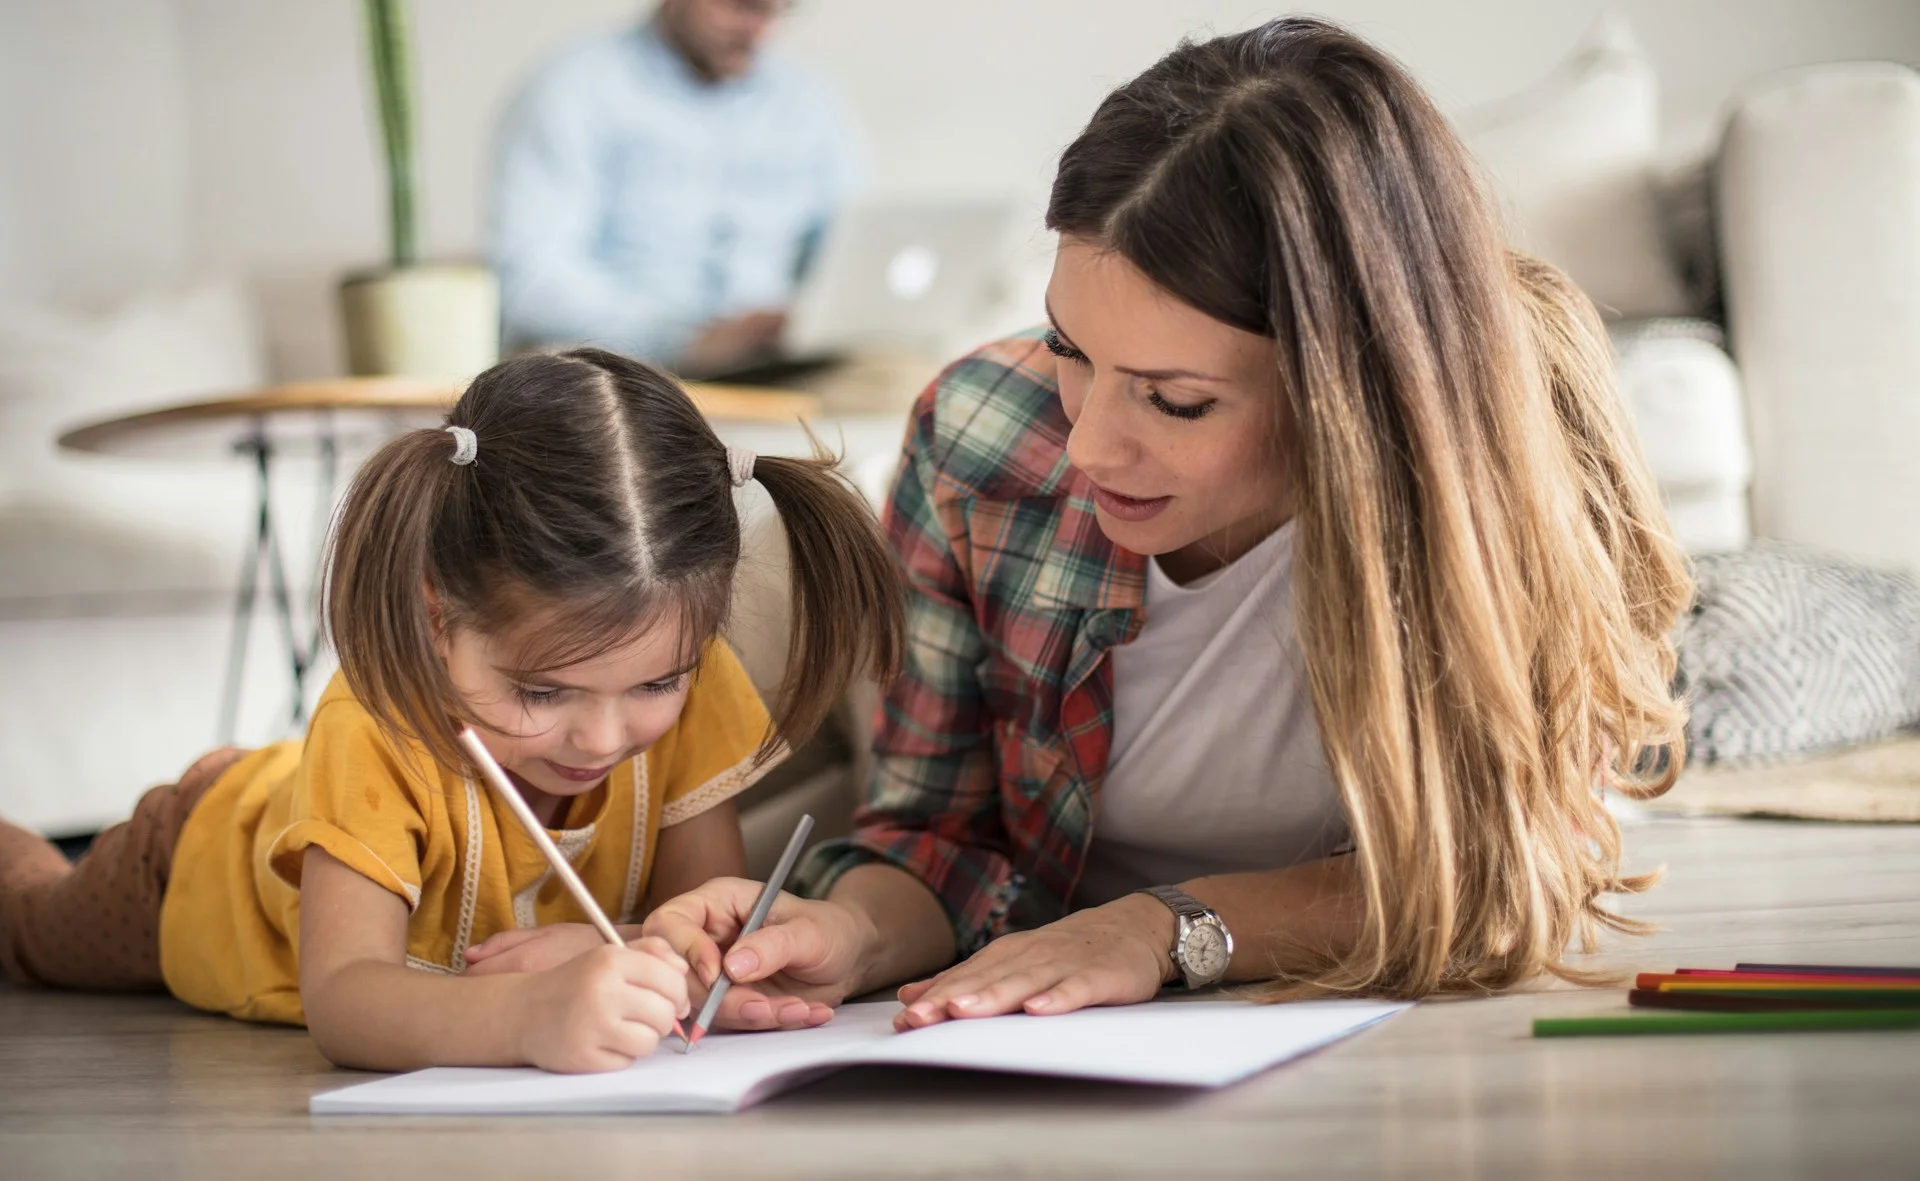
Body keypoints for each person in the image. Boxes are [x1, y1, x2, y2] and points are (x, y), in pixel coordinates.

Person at [640, 17, 1694, 1027]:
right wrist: (846, 931)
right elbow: (939, 835)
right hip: (1063, 1016)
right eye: (1068, 348)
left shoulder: (1510, 458)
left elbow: (1507, 877)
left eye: (1175, 400)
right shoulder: (978, 433)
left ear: (1346, 388)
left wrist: (1166, 929)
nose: (1089, 446)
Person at [0, 348, 903, 1073]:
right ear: (438, 618)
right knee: (25, 922)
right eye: (542, 692)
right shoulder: (374, 724)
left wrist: (678, 962)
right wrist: (526, 1011)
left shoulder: (698, 688)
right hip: (193, 863)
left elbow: (680, 919)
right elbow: (347, 997)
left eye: (654, 685)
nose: (601, 737)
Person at [490, 0, 862, 376]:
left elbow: (847, 253)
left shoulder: (809, 105)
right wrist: (681, 341)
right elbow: (530, 281)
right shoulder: (573, 88)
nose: (760, 29)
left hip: (778, 372)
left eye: (777, 9)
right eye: (742, 5)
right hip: (620, 379)